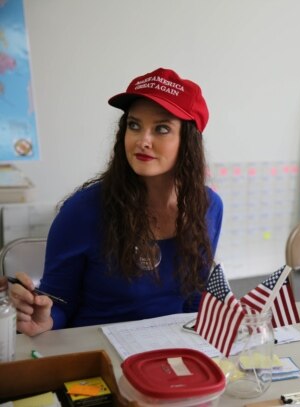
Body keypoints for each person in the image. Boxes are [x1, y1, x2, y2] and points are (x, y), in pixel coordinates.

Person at [9, 68, 223, 336]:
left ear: (188, 142)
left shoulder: (208, 207)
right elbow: (60, 303)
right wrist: (44, 318)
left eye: (162, 128)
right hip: (97, 354)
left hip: (172, 352)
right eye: (134, 125)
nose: (143, 140)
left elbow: (193, 299)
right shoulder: (82, 211)